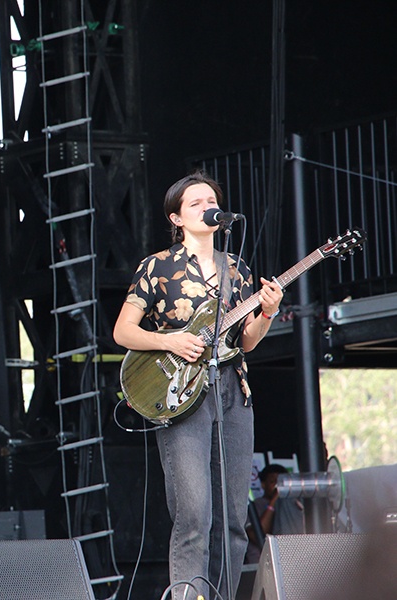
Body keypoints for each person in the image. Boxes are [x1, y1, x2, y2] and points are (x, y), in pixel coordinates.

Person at [113, 171, 283, 600]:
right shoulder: (157, 267)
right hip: (179, 393)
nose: (208, 206)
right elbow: (123, 332)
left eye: (212, 200)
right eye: (196, 203)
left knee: (231, 517)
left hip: (233, 390)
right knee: (193, 516)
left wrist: (267, 312)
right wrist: (169, 339)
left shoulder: (236, 267)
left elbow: (246, 341)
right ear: (177, 218)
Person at [245, 463, 305, 563]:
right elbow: (257, 536)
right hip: (261, 565)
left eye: (282, 482)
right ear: (263, 484)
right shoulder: (254, 506)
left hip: (289, 560)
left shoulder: (292, 504)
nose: (278, 485)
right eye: (274, 482)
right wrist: (275, 499)